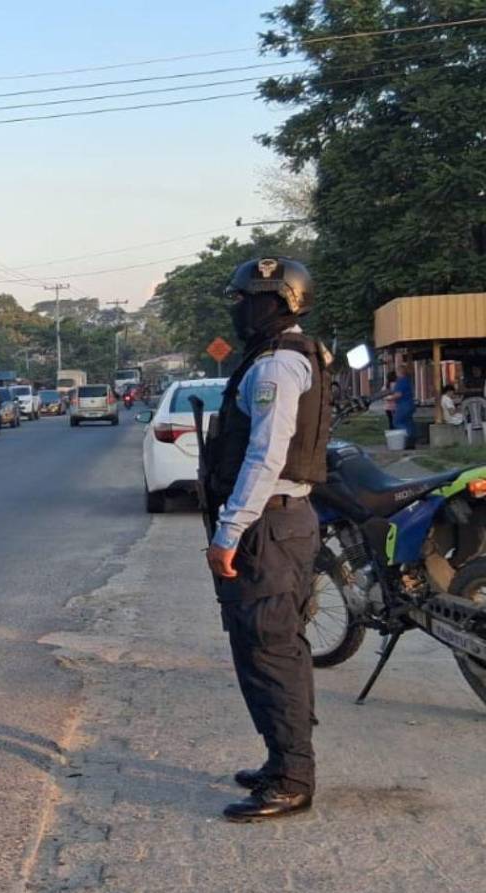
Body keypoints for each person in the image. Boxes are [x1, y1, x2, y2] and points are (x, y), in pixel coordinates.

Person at [203, 257, 330, 823]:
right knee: (272, 647)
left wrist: (229, 531)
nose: (238, 309)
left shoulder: (278, 365)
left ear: (277, 300)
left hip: (268, 528)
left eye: (246, 298)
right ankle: (282, 760)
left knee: (270, 650)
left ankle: (292, 779)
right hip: (280, 522)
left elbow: (266, 455)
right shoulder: (289, 356)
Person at [388, 364, 415, 449]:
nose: (396, 373)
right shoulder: (407, 380)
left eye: (397, 371)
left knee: (397, 422)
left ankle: (406, 438)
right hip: (410, 404)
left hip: (403, 405)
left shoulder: (400, 381)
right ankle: (411, 442)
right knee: (408, 422)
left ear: (399, 372)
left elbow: (398, 394)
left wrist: (390, 398)